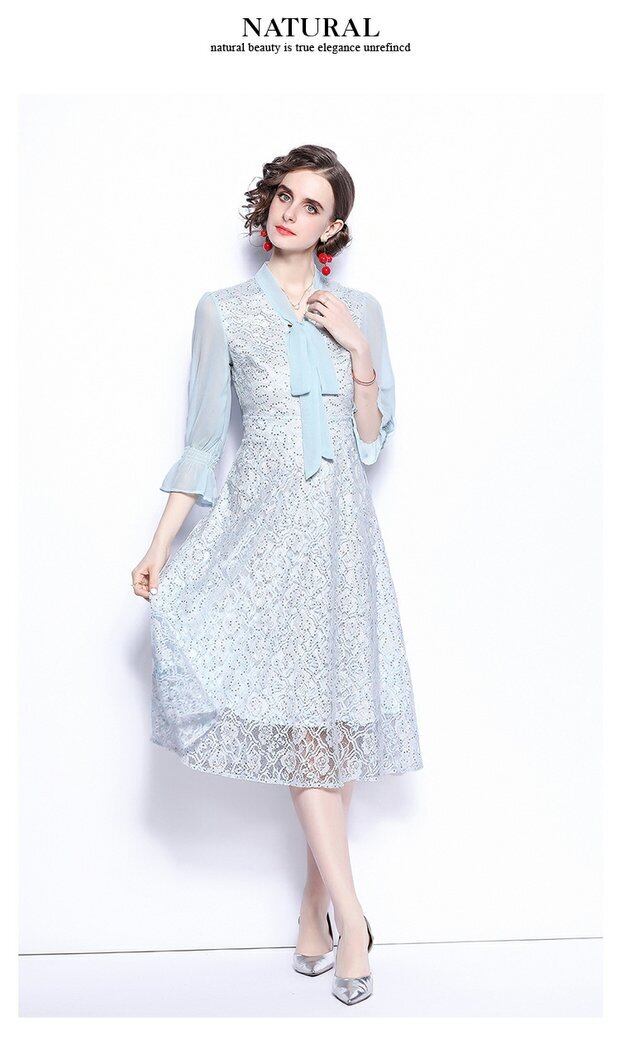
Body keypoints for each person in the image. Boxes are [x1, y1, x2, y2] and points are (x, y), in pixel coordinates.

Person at [132, 144, 423, 1006]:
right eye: (283, 197)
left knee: (330, 724)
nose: (290, 213)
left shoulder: (361, 309)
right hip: (264, 539)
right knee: (305, 729)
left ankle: (310, 914)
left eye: (311, 205)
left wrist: (356, 348)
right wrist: (159, 546)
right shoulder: (222, 311)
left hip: (341, 543)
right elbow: (201, 441)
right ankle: (353, 918)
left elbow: (370, 440)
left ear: (334, 227)